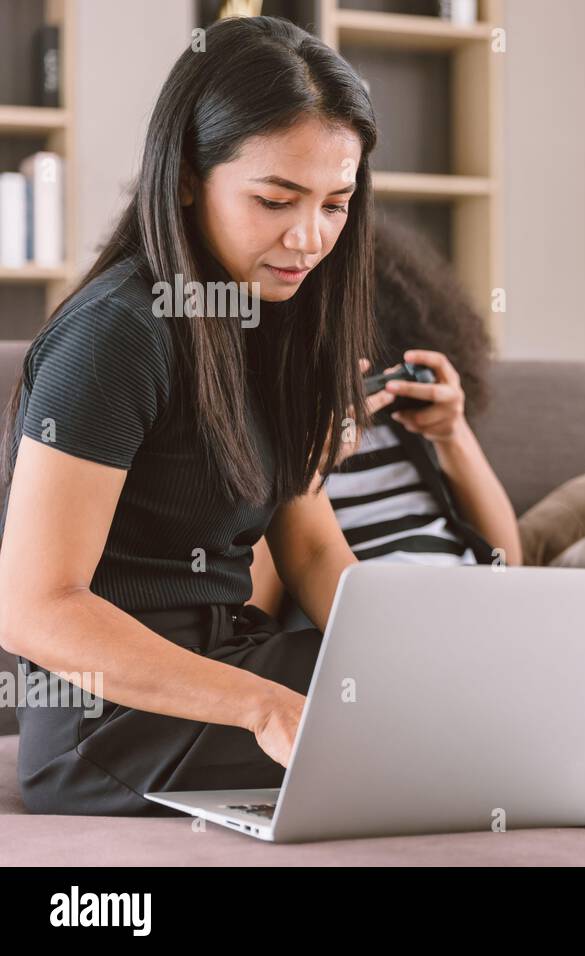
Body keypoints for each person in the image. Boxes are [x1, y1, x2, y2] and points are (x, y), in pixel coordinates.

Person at [247, 220, 585, 866]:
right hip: (387, 641)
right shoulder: (279, 446)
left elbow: (508, 561)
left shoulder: (408, 434)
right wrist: (300, 464)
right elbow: (261, 602)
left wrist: (453, 434)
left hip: (486, 615)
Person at [0, 16, 385, 814]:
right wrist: (263, 705)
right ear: (184, 177)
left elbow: (310, 548)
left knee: (526, 713)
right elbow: (33, 607)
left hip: (230, 658)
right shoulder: (116, 334)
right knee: (439, 746)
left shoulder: (279, 321)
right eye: (276, 199)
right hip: (107, 728)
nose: (309, 238)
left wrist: (413, 653)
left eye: (335, 204)